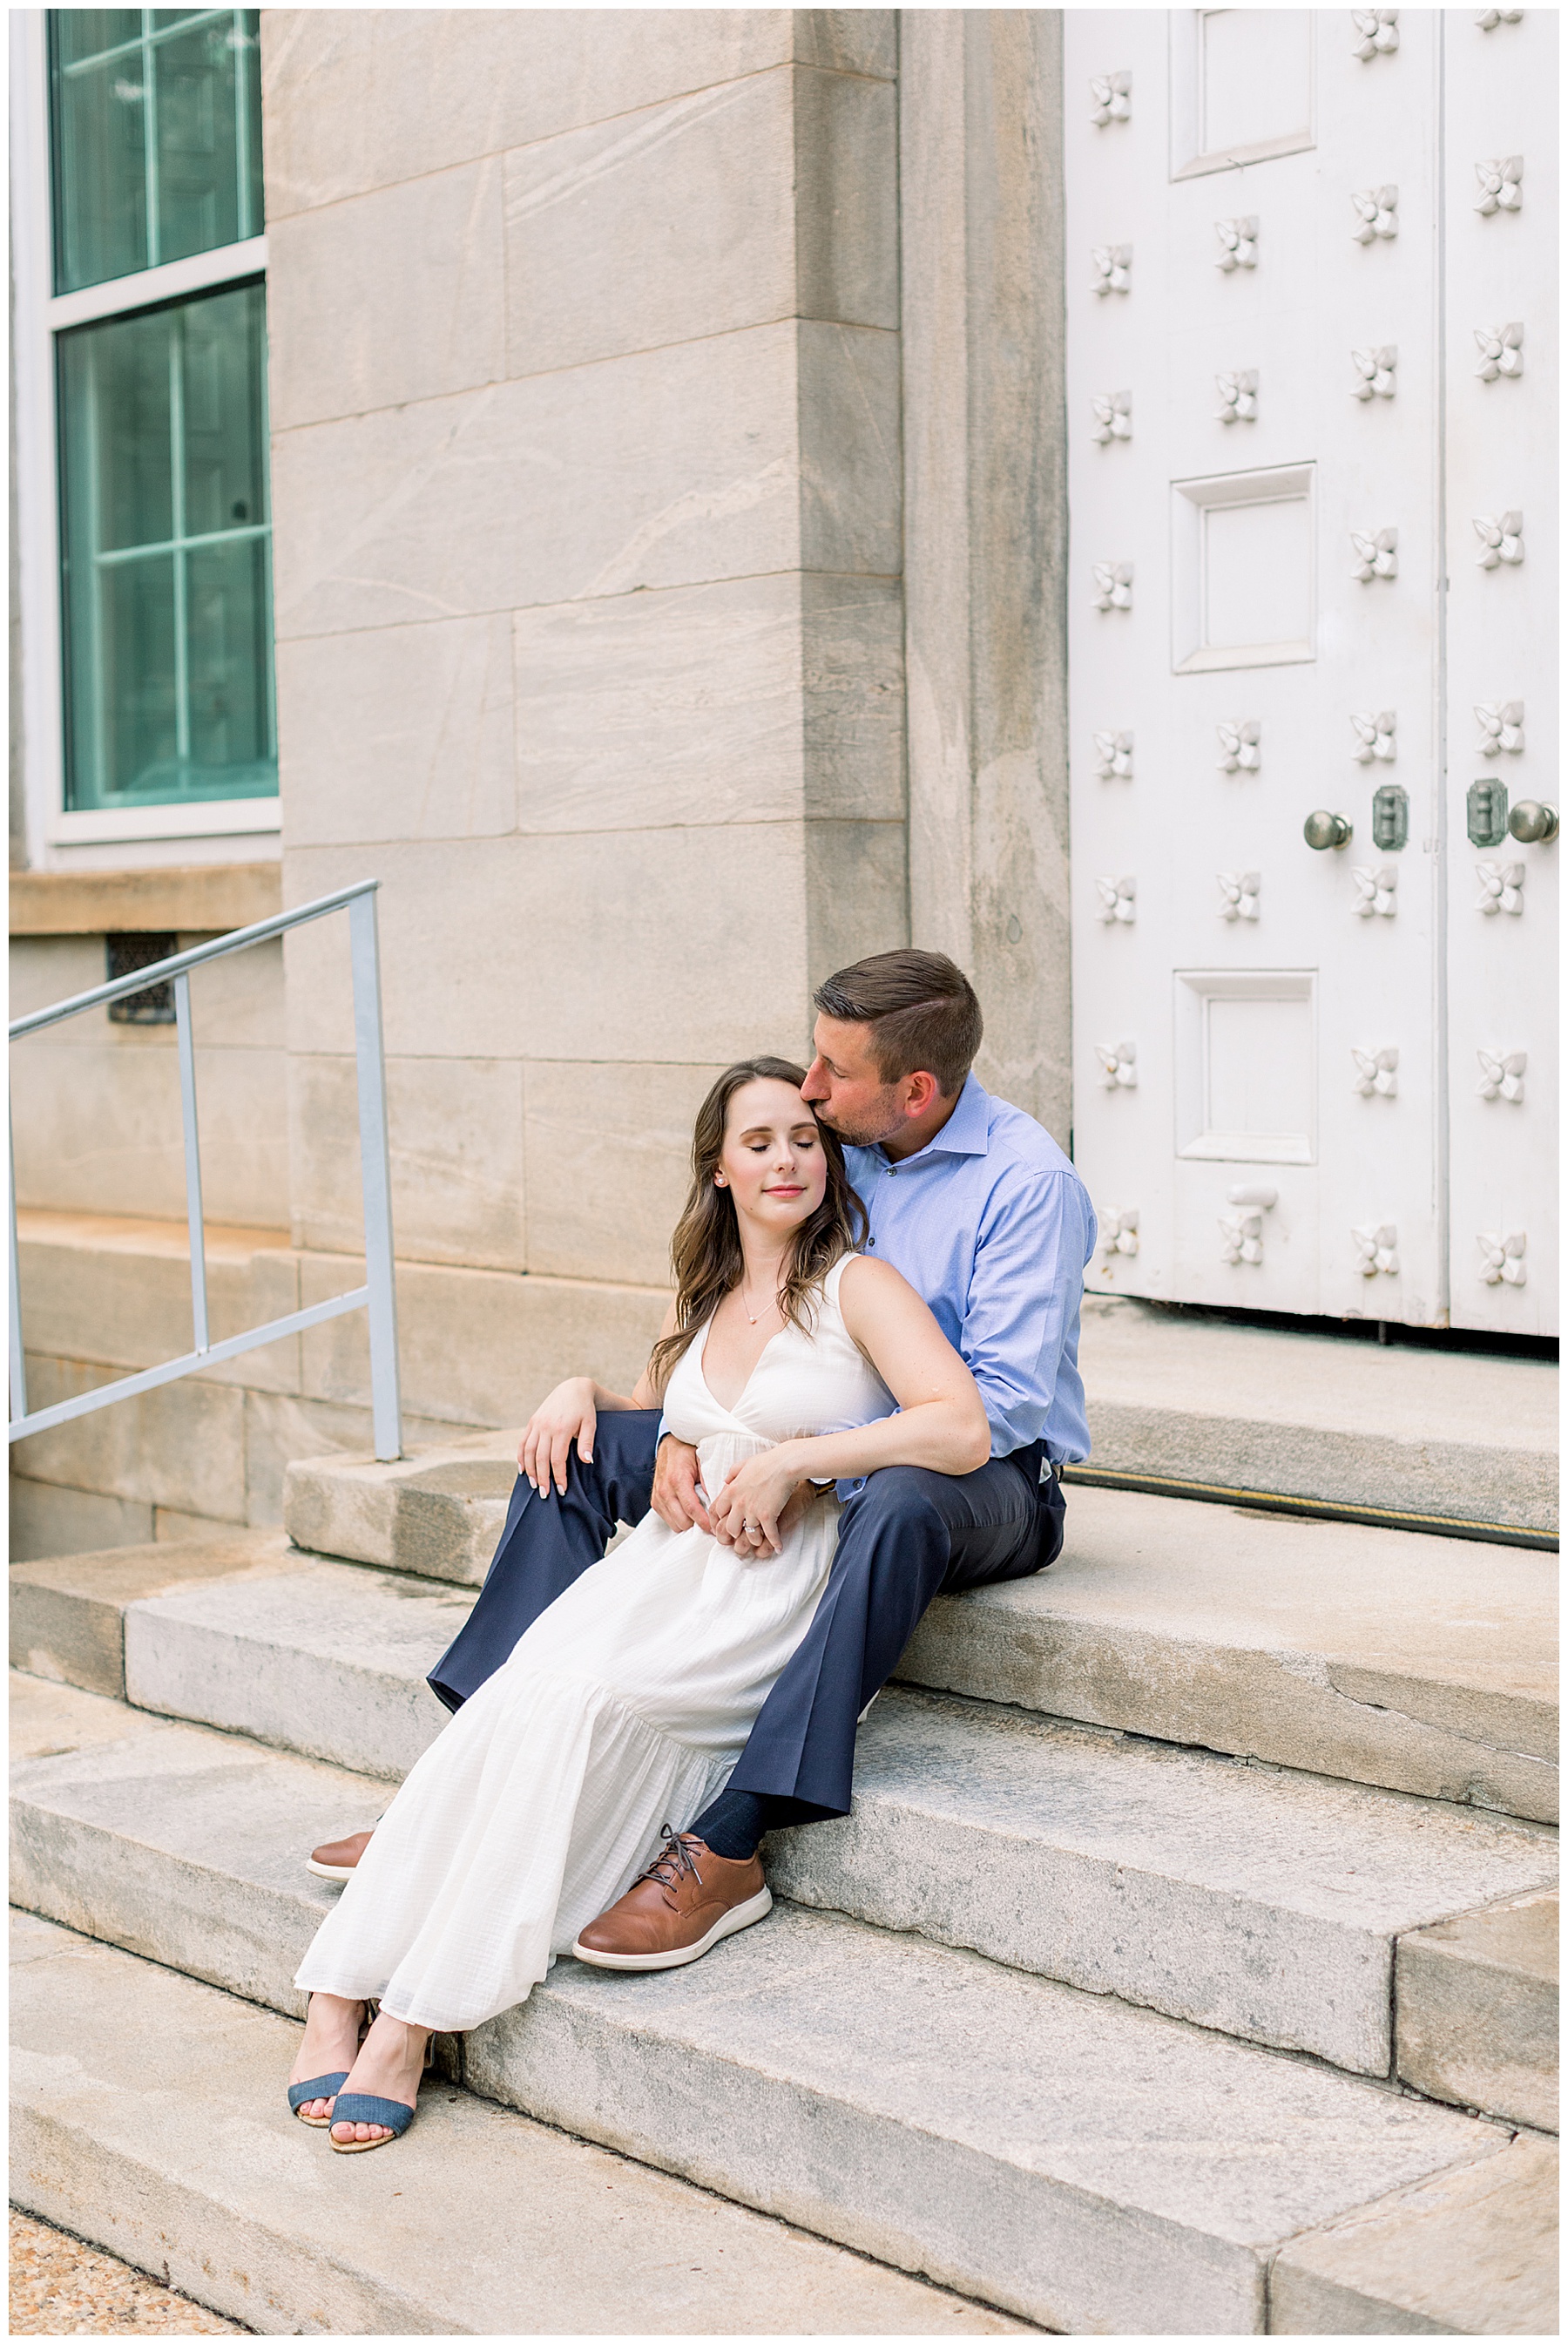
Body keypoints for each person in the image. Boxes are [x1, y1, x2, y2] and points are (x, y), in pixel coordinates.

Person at [308, 948, 1096, 1960]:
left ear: (916, 1090)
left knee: (897, 1498)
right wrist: (672, 1425)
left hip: (986, 1480)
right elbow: (759, 1311)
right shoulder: (842, 1143)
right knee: (580, 1450)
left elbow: (997, 1411)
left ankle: (733, 1839)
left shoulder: (1028, 1184)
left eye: (832, 1076)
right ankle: (468, 1777)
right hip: (815, 1443)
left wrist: (806, 1460)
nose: (809, 1095)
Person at [287, 1055, 991, 2148]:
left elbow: (959, 1425)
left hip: (760, 1598)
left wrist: (806, 1456)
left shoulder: (859, 1283)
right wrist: (592, 1394)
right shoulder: (707, 1298)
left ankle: (409, 2019)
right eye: (758, 1142)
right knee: (529, 1688)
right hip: (658, 1575)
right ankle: (338, 1990)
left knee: (580, 1703)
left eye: (804, 1138)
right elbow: (666, 1418)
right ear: (719, 1169)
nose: (787, 1158)